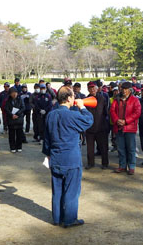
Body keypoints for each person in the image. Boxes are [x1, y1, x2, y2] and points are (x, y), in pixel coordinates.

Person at [43, 86, 94, 228]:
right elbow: (89, 121)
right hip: (71, 159)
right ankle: (70, 219)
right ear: (69, 98)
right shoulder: (72, 115)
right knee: (71, 191)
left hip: (55, 157)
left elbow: (46, 138)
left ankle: (57, 218)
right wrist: (83, 107)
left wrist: (48, 155)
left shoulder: (50, 115)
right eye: (73, 96)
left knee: (57, 190)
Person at [110, 82, 141, 175]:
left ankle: (131, 166)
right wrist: (116, 120)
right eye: (122, 89)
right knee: (121, 148)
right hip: (119, 127)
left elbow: (137, 112)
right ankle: (122, 165)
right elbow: (112, 110)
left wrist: (126, 121)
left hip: (130, 127)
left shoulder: (135, 100)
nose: (124, 91)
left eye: (126, 89)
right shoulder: (117, 100)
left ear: (130, 90)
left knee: (131, 148)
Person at [84, 81, 109, 170]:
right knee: (90, 148)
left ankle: (105, 163)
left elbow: (106, 112)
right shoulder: (85, 99)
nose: (92, 89)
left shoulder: (102, 98)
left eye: (93, 88)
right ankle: (90, 163)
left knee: (103, 147)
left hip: (101, 127)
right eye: (90, 88)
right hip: (90, 128)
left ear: (97, 88)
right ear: (88, 89)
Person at [5, 87, 25, 153]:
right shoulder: (8, 100)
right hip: (11, 119)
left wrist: (17, 114)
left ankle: (19, 147)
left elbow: (23, 107)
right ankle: (12, 147)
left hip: (19, 119)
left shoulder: (20, 99)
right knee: (11, 135)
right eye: (13, 93)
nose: (14, 94)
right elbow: (6, 109)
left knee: (19, 134)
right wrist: (11, 115)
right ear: (10, 94)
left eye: (15, 93)